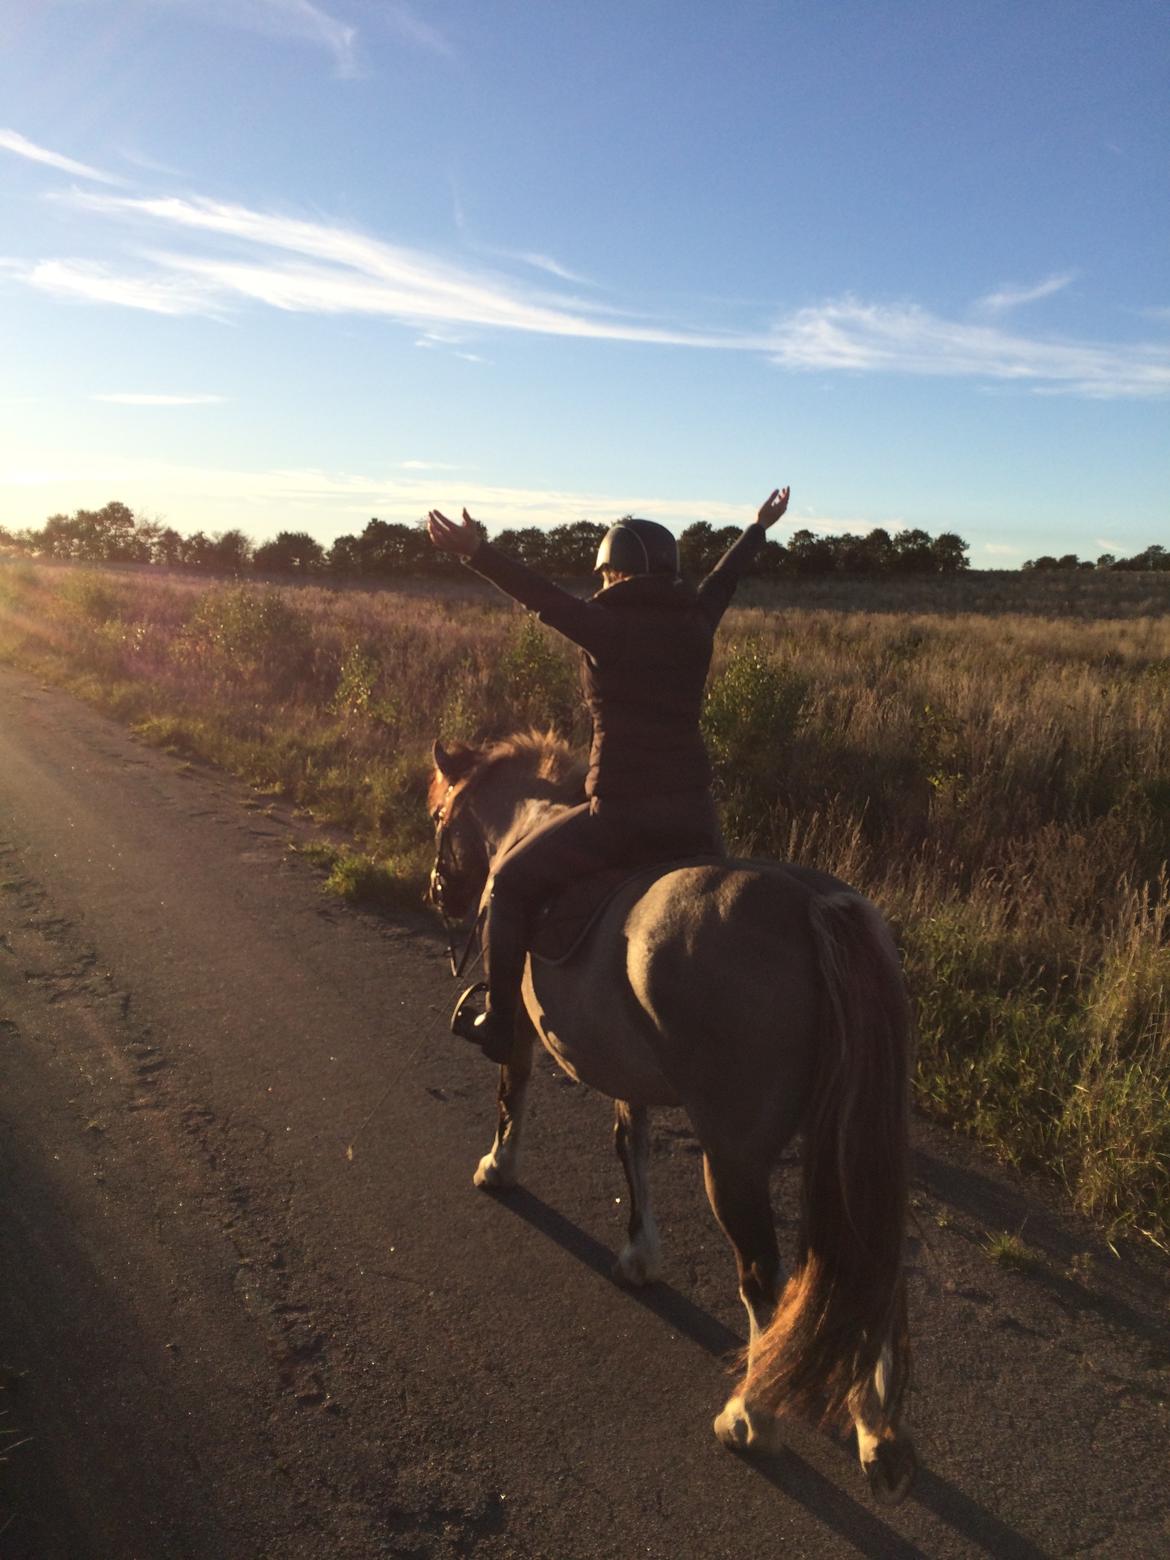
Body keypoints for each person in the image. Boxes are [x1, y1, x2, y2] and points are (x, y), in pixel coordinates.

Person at [426, 487, 790, 1062]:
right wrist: (757, 528)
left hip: (620, 815)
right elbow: (725, 579)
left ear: (614, 574)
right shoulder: (697, 619)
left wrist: (477, 552)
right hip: (694, 818)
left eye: (604, 576)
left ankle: (499, 1023)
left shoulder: (603, 625)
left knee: (512, 884)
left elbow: (539, 596)